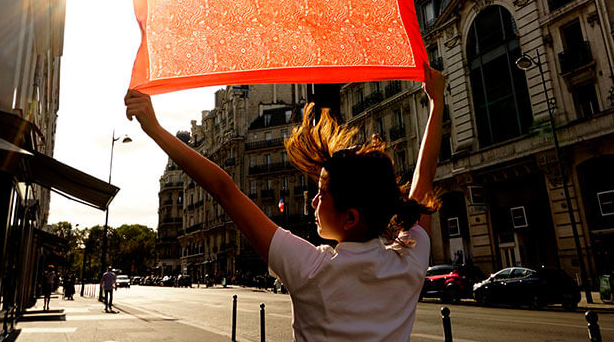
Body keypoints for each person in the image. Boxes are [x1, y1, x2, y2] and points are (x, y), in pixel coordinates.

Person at [125, 65, 444, 341]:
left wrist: (154, 128)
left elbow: (225, 190)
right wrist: (437, 103)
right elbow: (422, 187)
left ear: (350, 217)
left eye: (322, 194)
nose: (313, 201)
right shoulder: (409, 265)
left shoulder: (312, 270)